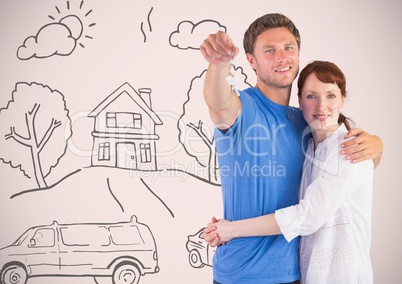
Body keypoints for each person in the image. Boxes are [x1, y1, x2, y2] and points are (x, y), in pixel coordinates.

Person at [199, 13, 382, 283]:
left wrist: (376, 145)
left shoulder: (306, 121)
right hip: (241, 272)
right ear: (251, 60)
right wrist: (218, 66)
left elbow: (348, 163)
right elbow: (218, 103)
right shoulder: (243, 108)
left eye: (288, 48)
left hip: (293, 272)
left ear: (298, 54)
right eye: (269, 50)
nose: (281, 57)